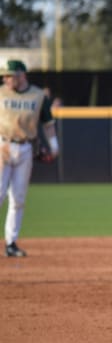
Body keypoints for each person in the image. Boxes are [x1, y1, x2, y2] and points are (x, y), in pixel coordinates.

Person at [0, 60, 59, 257]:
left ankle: (11, 243)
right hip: (2, 145)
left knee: (18, 198)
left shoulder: (38, 95)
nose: (6, 79)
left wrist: (54, 145)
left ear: (21, 75)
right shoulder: (1, 92)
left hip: (25, 148)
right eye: (5, 76)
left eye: (10, 76)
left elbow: (48, 123)